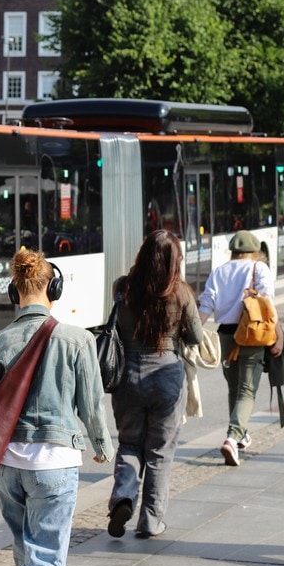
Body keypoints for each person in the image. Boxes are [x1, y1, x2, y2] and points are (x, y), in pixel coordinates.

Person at [0, 249, 112, 566]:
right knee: (45, 563)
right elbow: (92, 404)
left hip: (8, 466)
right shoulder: (78, 339)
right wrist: (103, 447)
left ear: (15, 292)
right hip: (55, 464)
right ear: (54, 288)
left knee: (29, 555)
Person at [106, 231, 201, 539]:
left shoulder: (122, 288)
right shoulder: (182, 293)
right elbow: (197, 338)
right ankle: (150, 522)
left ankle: (123, 495)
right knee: (159, 452)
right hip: (167, 379)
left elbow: (117, 326)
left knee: (130, 443)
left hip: (128, 379)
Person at [197, 230, 281, 467]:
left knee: (233, 387)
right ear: (255, 251)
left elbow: (206, 305)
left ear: (233, 251)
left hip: (225, 335)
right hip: (252, 333)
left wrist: (191, 335)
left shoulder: (218, 271)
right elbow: (267, 303)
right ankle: (233, 438)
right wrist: (278, 336)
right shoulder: (258, 268)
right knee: (246, 390)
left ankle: (241, 435)